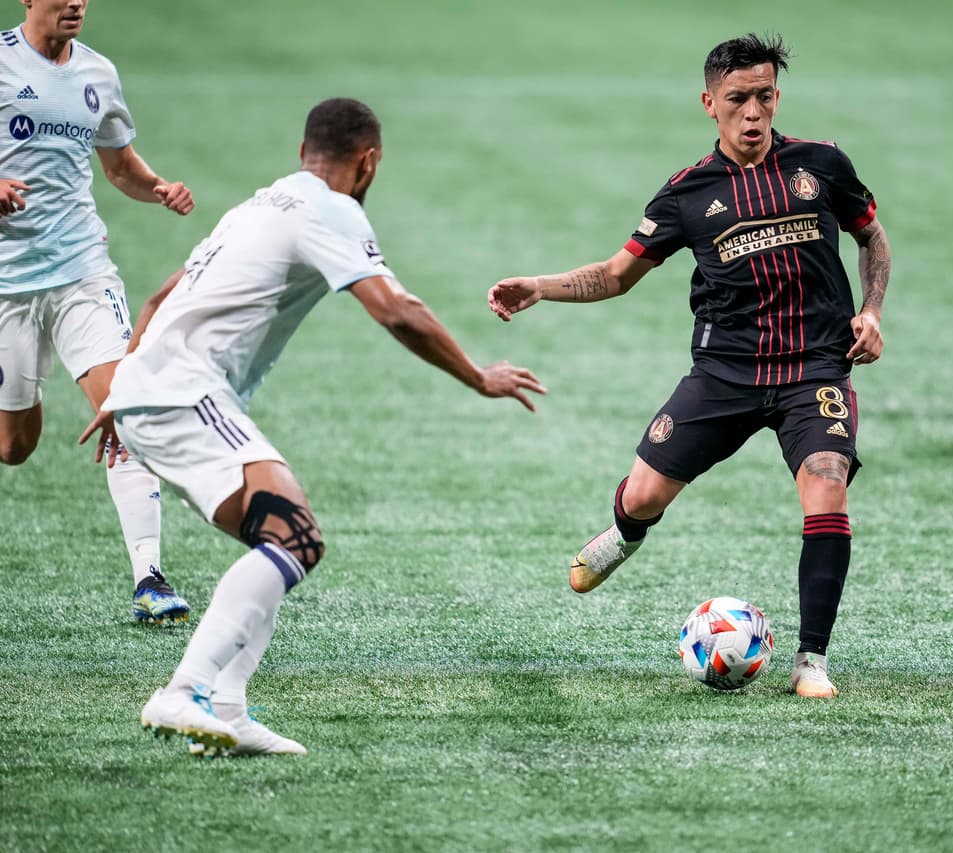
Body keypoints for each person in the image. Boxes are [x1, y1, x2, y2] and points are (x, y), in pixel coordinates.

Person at [82, 97, 546, 755]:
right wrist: (478, 375)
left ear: (303, 153)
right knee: (295, 538)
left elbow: (159, 298)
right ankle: (185, 690)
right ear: (369, 162)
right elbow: (396, 310)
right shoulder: (331, 209)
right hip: (184, 393)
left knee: (279, 538)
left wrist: (123, 389)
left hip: (156, 391)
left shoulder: (258, 204)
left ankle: (229, 709)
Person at [488, 34, 890, 699]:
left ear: (777, 97)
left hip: (815, 369)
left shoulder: (822, 164)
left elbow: (870, 234)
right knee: (644, 496)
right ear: (710, 104)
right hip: (726, 373)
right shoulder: (687, 193)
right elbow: (616, 275)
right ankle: (623, 534)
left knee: (827, 482)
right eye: (738, 99)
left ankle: (811, 660)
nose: (753, 113)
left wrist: (871, 310)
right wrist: (540, 285)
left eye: (764, 96)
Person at [1, 0, 194, 621]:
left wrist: (157, 188)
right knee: (14, 446)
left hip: (81, 272)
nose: (76, 2)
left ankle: (150, 578)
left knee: (125, 410)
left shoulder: (98, 73)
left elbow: (120, 166)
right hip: (6, 285)